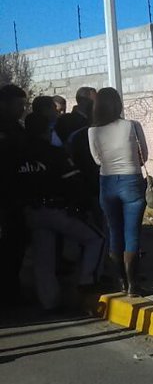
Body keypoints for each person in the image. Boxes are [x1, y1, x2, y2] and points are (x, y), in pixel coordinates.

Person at [18, 112, 104, 312]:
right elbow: (73, 182)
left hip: (31, 212)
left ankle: (49, 302)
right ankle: (87, 282)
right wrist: (82, 206)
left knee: (43, 258)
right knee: (96, 239)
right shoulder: (53, 153)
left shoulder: (17, 156)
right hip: (58, 210)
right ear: (47, 130)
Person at [89, 87, 150, 296]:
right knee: (132, 234)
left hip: (107, 182)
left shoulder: (93, 131)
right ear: (118, 104)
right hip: (131, 180)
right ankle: (134, 284)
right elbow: (144, 156)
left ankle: (121, 282)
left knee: (114, 231)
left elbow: (97, 160)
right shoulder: (132, 126)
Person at [0, 84, 30, 304]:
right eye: (18, 104)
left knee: (16, 244)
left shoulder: (17, 128)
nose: (22, 109)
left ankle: (12, 290)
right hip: (5, 198)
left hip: (16, 198)